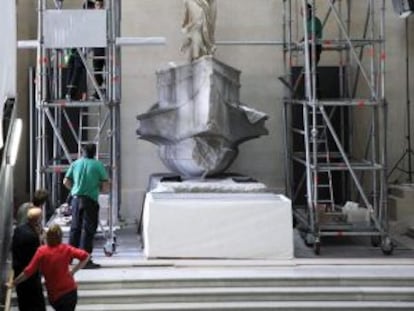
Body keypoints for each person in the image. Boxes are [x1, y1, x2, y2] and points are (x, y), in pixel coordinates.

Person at [7, 224, 90, 311]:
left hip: (54, 295)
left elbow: (28, 271)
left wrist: (14, 283)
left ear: (47, 236)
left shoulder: (42, 251)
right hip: (70, 291)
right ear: (60, 236)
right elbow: (86, 256)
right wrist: (73, 271)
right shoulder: (66, 248)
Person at [63, 143, 110, 269]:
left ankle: (68, 258)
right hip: (90, 200)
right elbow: (105, 185)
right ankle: (84, 260)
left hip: (76, 199)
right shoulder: (98, 165)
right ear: (94, 152)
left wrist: (74, 189)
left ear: (82, 152)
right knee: (88, 230)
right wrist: (98, 190)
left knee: (75, 229)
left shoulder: (75, 164)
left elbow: (65, 181)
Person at [11, 208, 46, 311]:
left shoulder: (18, 229)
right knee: (36, 305)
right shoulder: (32, 237)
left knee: (23, 303)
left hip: (18, 271)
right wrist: (41, 239)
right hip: (30, 277)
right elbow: (38, 256)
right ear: (38, 220)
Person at [91, 0, 106, 100]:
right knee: (97, 71)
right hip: (97, 48)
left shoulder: (106, 16)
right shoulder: (93, 18)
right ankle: (98, 92)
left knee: (110, 71)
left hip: (106, 48)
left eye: (100, 5)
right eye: (97, 5)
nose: (99, 7)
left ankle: (105, 90)